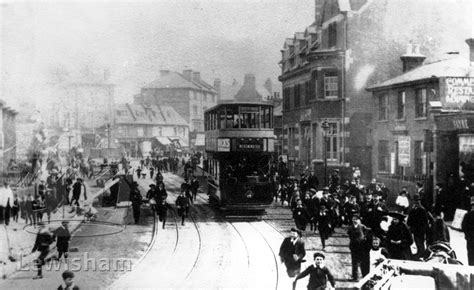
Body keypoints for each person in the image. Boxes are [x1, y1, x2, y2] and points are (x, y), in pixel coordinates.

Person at [347, 214, 370, 281]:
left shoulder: (362, 227)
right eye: (353, 219)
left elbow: (367, 233)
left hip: (361, 247)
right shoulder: (350, 227)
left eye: (356, 219)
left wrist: (364, 239)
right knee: (354, 262)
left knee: (362, 262)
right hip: (354, 247)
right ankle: (355, 277)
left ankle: (364, 277)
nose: (355, 220)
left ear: (359, 220)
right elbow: (350, 235)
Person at [407, 194, 430, 258]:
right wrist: (409, 224)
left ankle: (421, 253)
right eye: (415, 201)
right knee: (417, 241)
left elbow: (425, 221)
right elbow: (410, 218)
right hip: (414, 228)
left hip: (420, 229)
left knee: (420, 241)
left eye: (418, 201)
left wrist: (425, 229)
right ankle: (419, 252)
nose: (416, 203)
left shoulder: (422, 210)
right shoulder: (413, 209)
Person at [461, 196, 474, 266]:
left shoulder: (467, 215)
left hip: (470, 240)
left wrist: (467, 235)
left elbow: (463, 227)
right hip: (470, 239)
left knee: (471, 257)